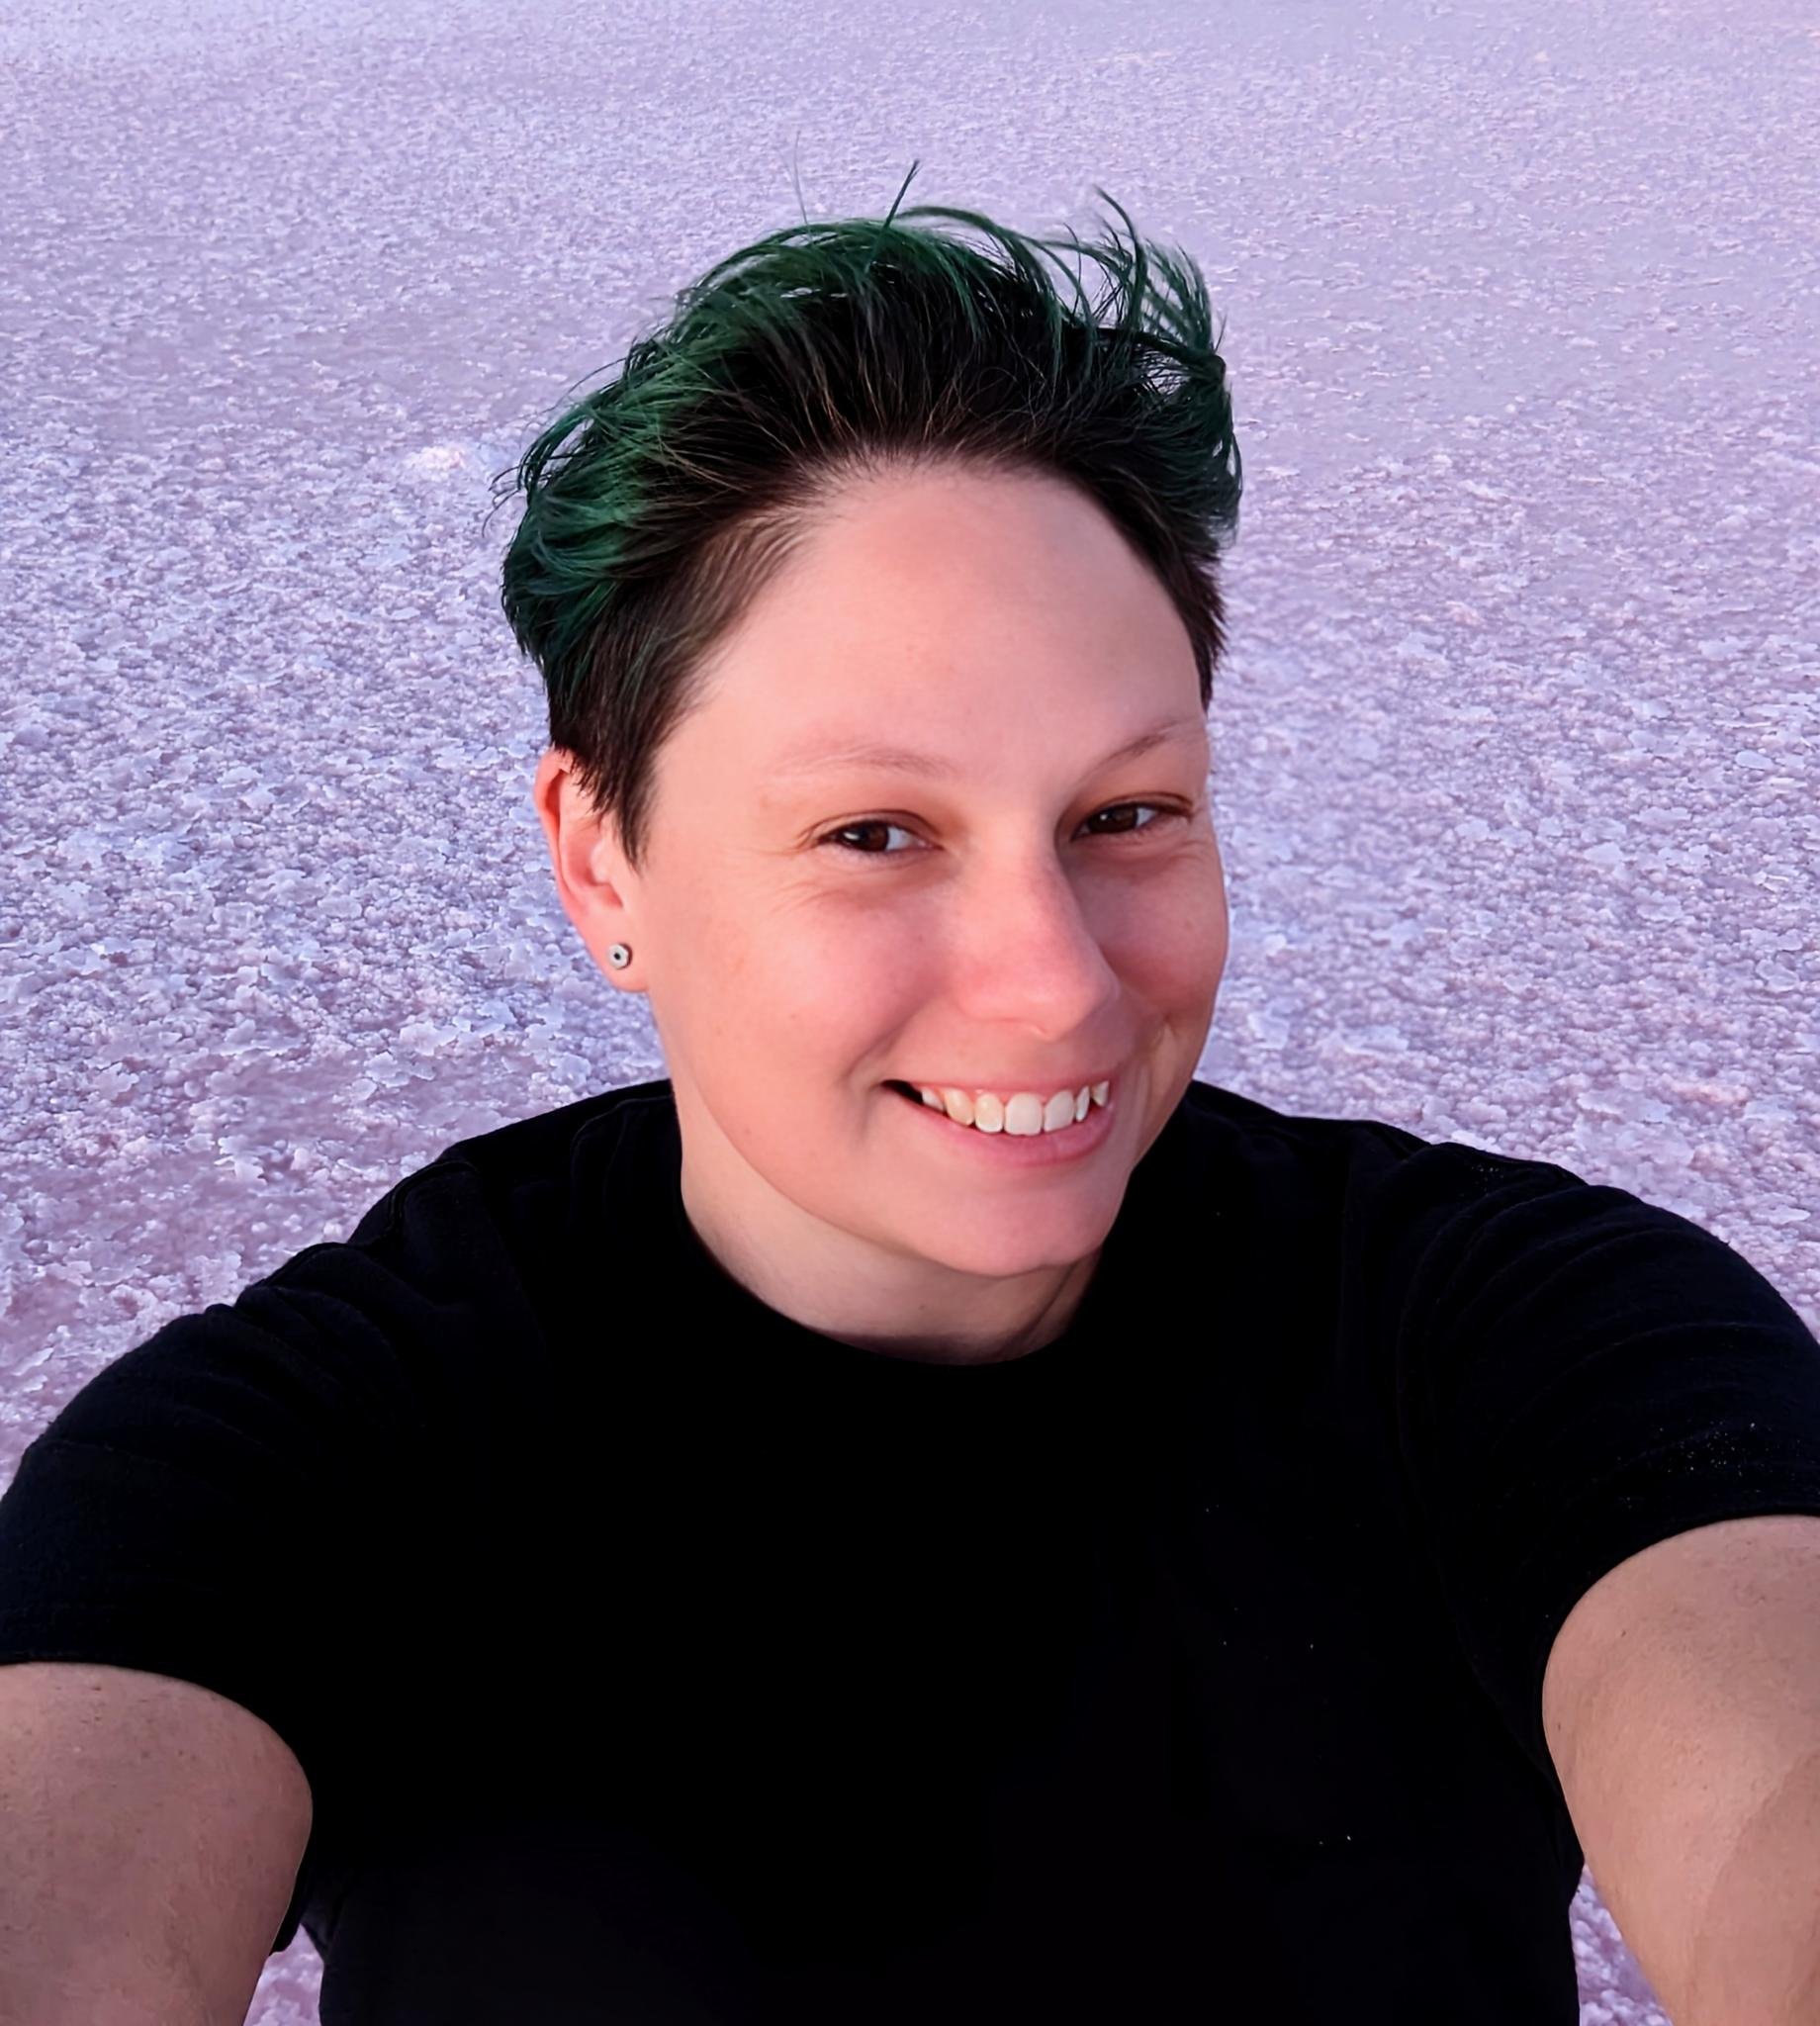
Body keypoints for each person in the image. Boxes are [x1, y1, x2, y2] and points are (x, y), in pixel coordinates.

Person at [3, 166, 1819, 2026]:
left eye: (1126, 816)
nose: (1056, 982)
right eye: (876, 833)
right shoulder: (325, 1456)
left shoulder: (1515, 1341)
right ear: (602, 858)